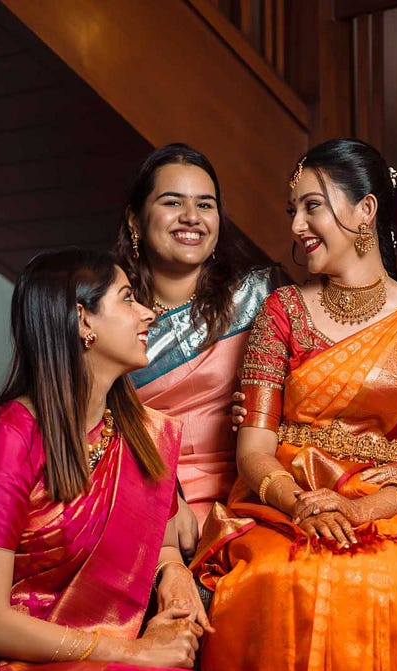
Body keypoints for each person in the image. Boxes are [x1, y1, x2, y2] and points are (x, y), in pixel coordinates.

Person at [194, 139, 397, 671]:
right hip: (282, 505)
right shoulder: (283, 311)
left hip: (387, 510)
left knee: (376, 578)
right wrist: (303, 506)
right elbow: (252, 447)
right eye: (293, 210)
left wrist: (364, 511)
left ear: (365, 210)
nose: (297, 224)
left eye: (312, 206)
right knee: (274, 574)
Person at [0, 249, 209, 671]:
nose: (148, 314)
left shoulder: (134, 430)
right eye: (127, 299)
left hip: (86, 650)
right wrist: (133, 651)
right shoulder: (6, 441)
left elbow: (162, 540)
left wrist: (173, 571)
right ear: (83, 320)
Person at [117, 144, 284, 546]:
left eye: (205, 205)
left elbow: (312, 388)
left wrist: (275, 403)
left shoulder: (259, 296)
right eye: (173, 202)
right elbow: (93, 426)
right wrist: (167, 499)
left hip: (254, 483)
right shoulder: (109, 316)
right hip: (148, 490)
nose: (192, 218)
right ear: (135, 221)